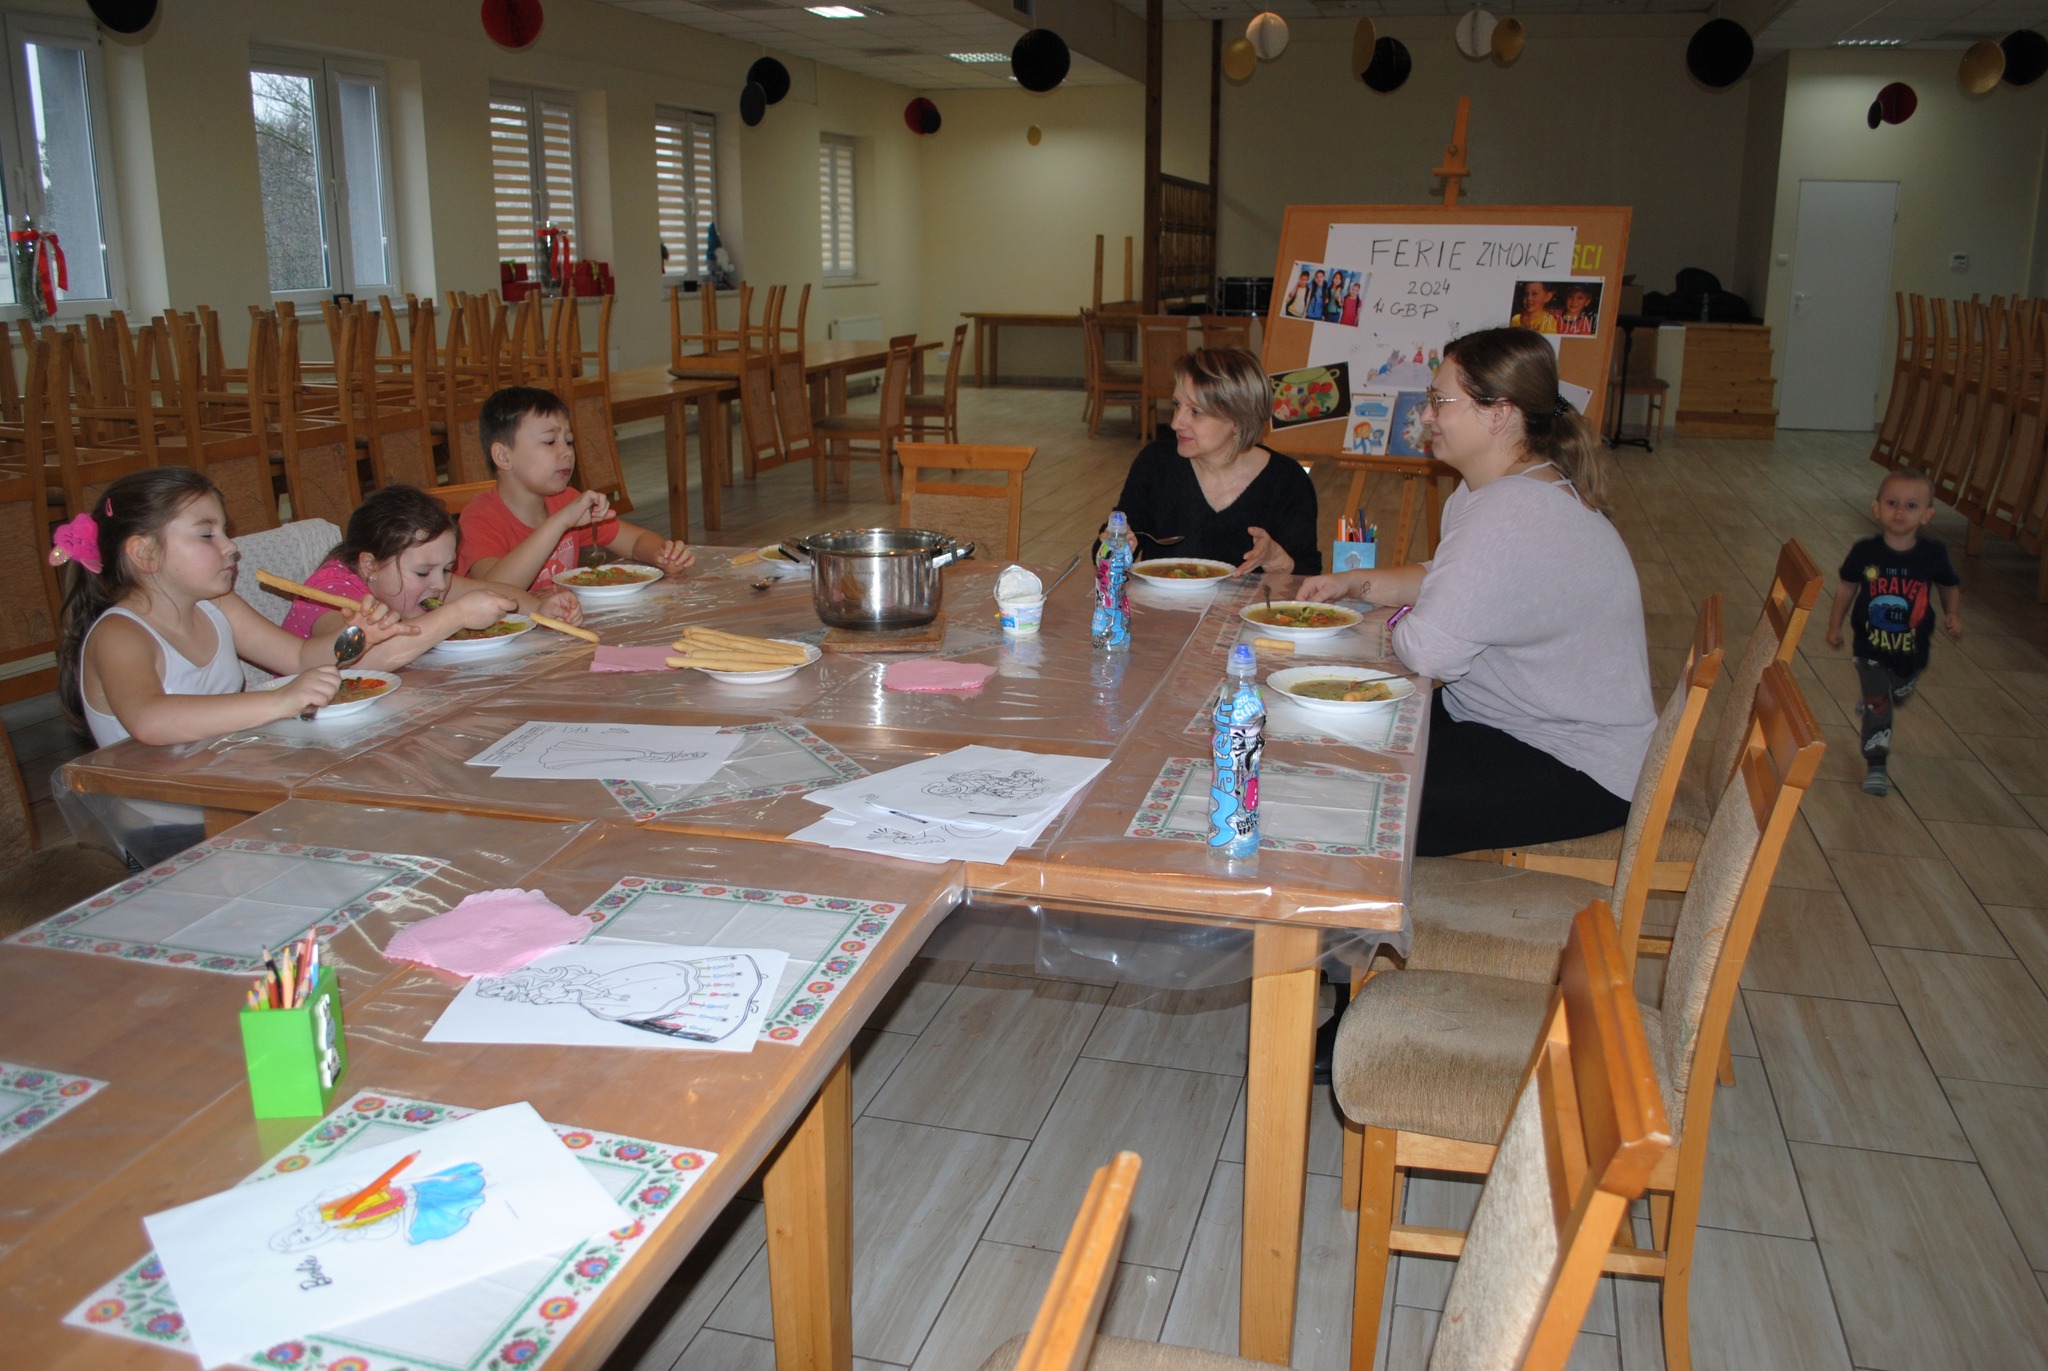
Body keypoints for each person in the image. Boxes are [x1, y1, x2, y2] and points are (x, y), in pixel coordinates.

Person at [1299, 327, 1654, 856]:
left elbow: (1431, 652)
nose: (1426, 416)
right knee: (1330, 743)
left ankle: (1329, 902)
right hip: (1504, 721)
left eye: (1440, 402)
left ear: (1498, 414)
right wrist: (1358, 583)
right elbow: (1454, 577)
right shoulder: (1504, 487)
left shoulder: (1510, 509)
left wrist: (1391, 620)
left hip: (1573, 763)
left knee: (1343, 797)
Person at [50, 468, 412, 863]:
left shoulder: (217, 606)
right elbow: (150, 720)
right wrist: (280, 701)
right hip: (166, 829)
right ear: (145, 554)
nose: (231, 547)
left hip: (236, 797)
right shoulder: (119, 634)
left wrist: (358, 634)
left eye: (224, 531)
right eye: (208, 535)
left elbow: (297, 657)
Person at [283, 484, 586, 667]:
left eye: (447, 568)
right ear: (369, 566)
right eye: (423, 572)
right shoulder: (330, 592)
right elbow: (363, 657)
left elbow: (493, 591)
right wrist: (457, 614)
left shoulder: (427, 581)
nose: (440, 584)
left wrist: (539, 608)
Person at [456, 386, 694, 592]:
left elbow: (635, 540)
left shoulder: (566, 500)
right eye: (550, 442)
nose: (567, 452)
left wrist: (662, 555)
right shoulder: (480, 519)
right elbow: (495, 590)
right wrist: (561, 522)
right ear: (503, 456)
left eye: (569, 441)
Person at [1108, 347, 1320, 575]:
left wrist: (1278, 560)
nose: (1176, 423)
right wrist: (1114, 546)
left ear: (1237, 420)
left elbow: (1308, 574)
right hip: (1161, 599)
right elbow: (1107, 551)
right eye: (1177, 405)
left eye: (1195, 412)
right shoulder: (1156, 464)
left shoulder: (1286, 481)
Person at [1825, 468, 1962, 796]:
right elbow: (1846, 588)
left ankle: (1901, 684)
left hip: (1912, 648)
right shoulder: (1865, 552)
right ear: (1877, 508)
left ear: (1927, 514)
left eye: (1911, 506)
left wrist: (1952, 613)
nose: (1900, 511)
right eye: (1892, 503)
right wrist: (1835, 624)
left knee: (1898, 687)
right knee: (1878, 704)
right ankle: (1876, 765)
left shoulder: (1932, 554)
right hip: (1869, 648)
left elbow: (1948, 585)